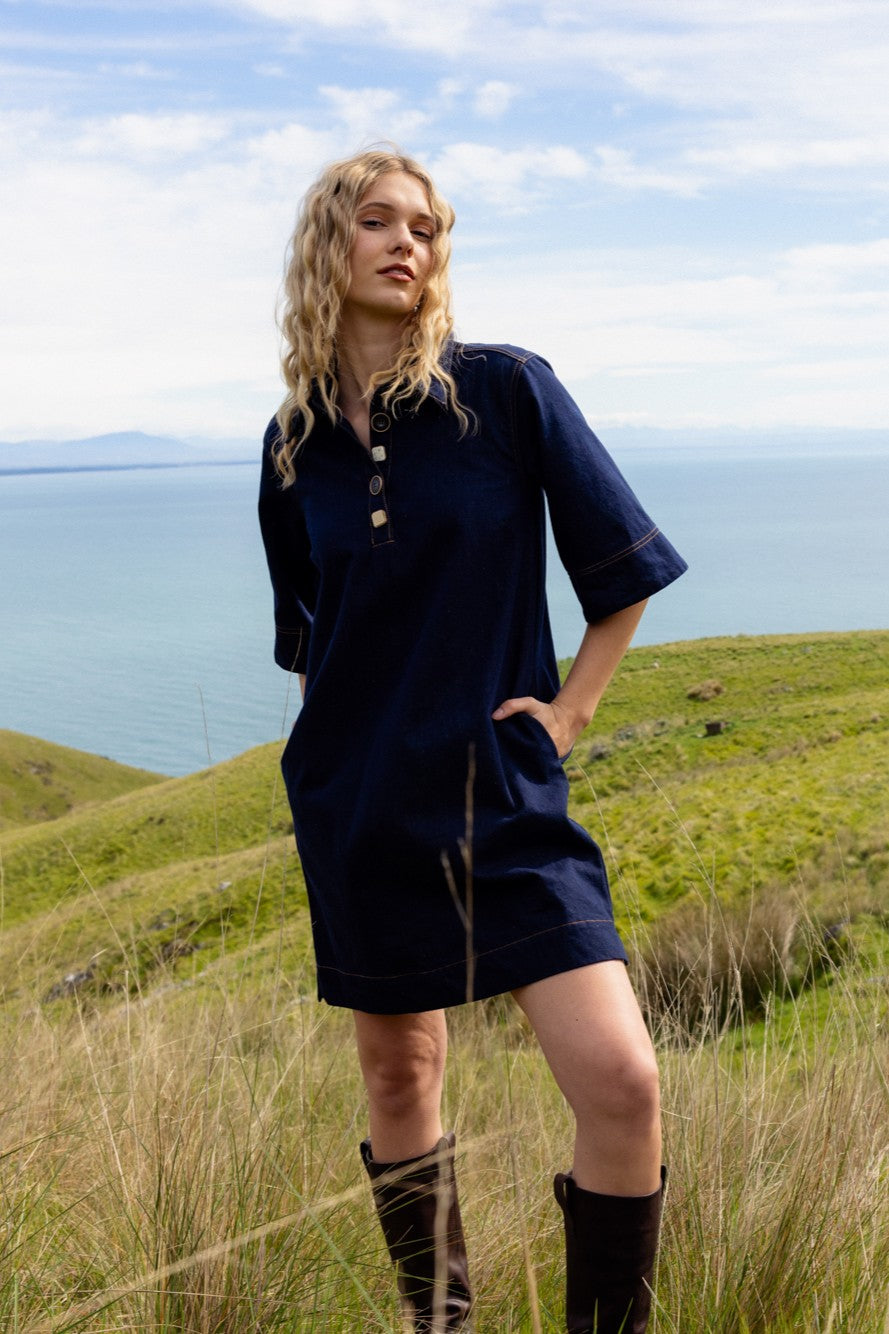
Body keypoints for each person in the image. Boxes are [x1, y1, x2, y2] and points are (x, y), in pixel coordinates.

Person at [258, 147, 687, 1334]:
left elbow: (622, 568)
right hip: (360, 807)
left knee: (621, 1078)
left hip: (502, 795)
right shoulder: (290, 447)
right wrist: (329, 777)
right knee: (400, 1071)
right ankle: (438, 1323)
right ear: (327, 247)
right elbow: (315, 638)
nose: (411, 245)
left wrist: (572, 709)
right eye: (380, 223)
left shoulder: (504, 390)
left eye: (429, 228)